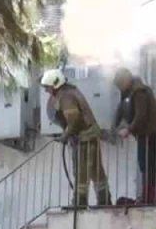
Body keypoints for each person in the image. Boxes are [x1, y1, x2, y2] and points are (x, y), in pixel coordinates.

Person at [41, 69, 111, 208]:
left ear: (55, 84)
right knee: (96, 171)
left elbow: (74, 120)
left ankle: (79, 203)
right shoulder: (71, 91)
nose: (47, 91)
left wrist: (65, 136)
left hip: (84, 139)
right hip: (90, 136)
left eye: (48, 87)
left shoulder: (66, 97)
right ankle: (105, 201)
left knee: (81, 172)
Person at [113, 67, 156, 205]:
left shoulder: (139, 92)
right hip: (145, 134)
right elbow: (120, 109)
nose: (119, 88)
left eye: (120, 85)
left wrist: (128, 130)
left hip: (153, 133)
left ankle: (155, 196)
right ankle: (148, 195)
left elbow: (140, 115)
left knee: (151, 164)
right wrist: (114, 127)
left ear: (126, 80)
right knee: (145, 164)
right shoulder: (128, 92)